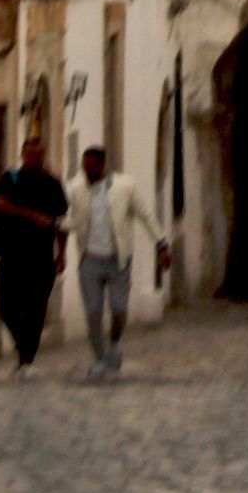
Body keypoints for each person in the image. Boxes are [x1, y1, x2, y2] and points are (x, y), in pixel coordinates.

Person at [66, 144, 167, 380]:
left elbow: (145, 214)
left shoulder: (125, 187)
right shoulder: (77, 189)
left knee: (119, 308)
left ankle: (114, 343)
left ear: (102, 165)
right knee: (93, 312)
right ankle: (99, 359)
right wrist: (54, 224)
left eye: (91, 167)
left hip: (118, 259)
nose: (86, 172)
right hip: (90, 258)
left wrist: (161, 243)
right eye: (84, 167)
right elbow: (73, 220)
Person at [0, 133, 69, 374]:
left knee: (36, 309)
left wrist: (62, 253)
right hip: (13, 254)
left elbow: (62, 221)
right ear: (23, 154)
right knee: (5, 306)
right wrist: (32, 215)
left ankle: (27, 360)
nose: (33, 157)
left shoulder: (52, 184)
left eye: (37, 153)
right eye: (29, 153)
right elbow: (0, 204)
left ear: (43, 155)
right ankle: (22, 346)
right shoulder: (11, 179)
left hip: (41, 256)